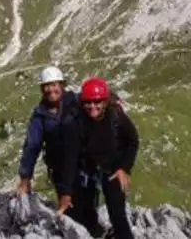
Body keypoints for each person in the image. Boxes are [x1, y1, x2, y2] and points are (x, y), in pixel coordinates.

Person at [57, 77, 139, 239]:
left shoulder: (117, 117)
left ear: (106, 102)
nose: (92, 107)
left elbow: (132, 142)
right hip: (88, 170)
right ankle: (96, 233)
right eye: (88, 103)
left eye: (97, 102)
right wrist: (66, 193)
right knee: (85, 210)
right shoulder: (77, 122)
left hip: (113, 170)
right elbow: (71, 158)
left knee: (117, 214)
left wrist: (124, 168)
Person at [16, 65, 79, 202]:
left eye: (54, 84)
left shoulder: (76, 102)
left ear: (62, 85)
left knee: (87, 209)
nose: (50, 90)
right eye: (46, 86)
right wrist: (25, 179)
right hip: (60, 169)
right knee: (69, 211)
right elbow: (32, 145)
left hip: (83, 166)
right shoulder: (40, 115)